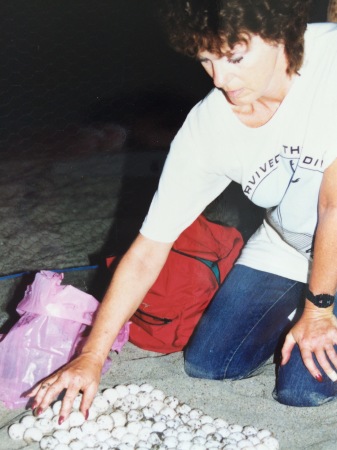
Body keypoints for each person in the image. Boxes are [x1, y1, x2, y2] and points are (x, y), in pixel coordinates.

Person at [29, 0, 337, 420]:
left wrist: (317, 310)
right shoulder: (207, 126)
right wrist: (92, 356)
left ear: (280, 30)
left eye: (234, 57)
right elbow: (148, 249)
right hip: (290, 245)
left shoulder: (331, 60)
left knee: (303, 391)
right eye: (207, 59)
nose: (221, 78)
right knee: (210, 362)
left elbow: (332, 204)